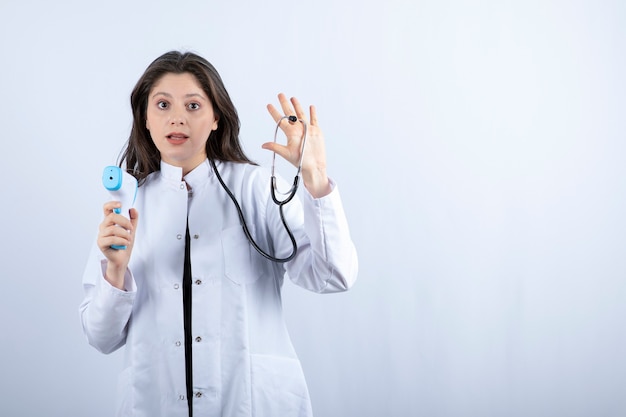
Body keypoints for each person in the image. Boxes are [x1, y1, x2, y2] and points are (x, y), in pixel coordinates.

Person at [79, 50, 358, 417]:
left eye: (193, 106)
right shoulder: (128, 207)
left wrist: (315, 177)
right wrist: (115, 272)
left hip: (252, 403)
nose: (177, 117)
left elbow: (333, 276)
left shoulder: (256, 189)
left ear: (215, 118)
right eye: (162, 104)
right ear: (145, 118)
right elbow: (101, 337)